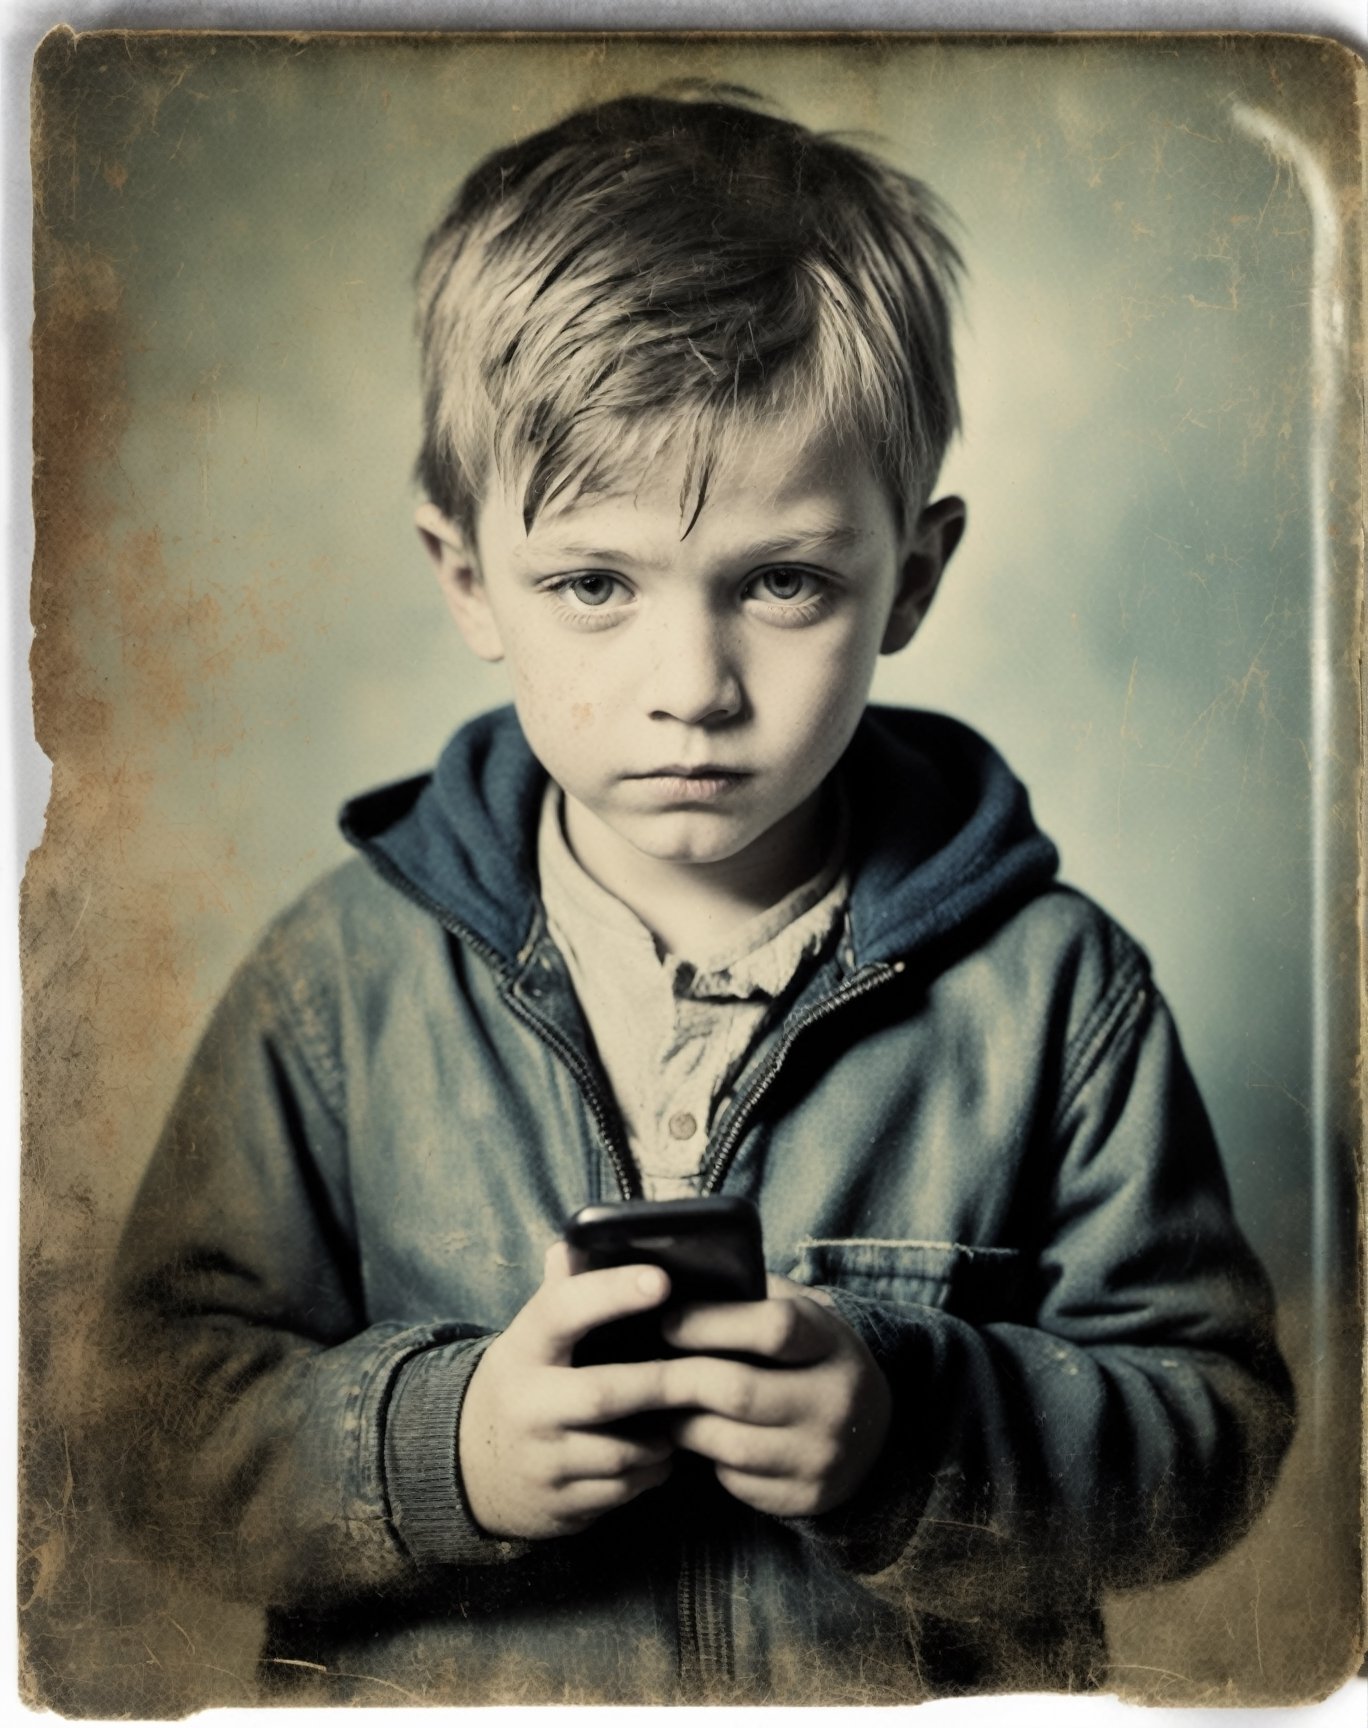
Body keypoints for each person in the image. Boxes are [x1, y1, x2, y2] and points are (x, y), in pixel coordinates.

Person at [99, 90, 1295, 1706]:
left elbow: (1208, 1440)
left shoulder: (1058, 996)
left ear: (913, 579)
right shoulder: (338, 985)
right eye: (594, 586)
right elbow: (146, 1432)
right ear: (469, 581)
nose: (691, 687)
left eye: (782, 583)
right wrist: (450, 1450)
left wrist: (908, 1427)